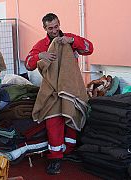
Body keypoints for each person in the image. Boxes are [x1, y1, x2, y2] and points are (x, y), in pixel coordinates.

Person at [25, 13, 94, 175]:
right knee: (54, 122)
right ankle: (55, 158)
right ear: (45, 28)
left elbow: (89, 48)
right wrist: (40, 55)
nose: (55, 31)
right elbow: (28, 64)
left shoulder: (70, 39)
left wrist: (72, 41)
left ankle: (69, 151)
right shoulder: (41, 44)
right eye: (51, 28)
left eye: (56, 26)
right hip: (53, 91)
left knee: (71, 119)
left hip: (71, 89)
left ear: (59, 24)